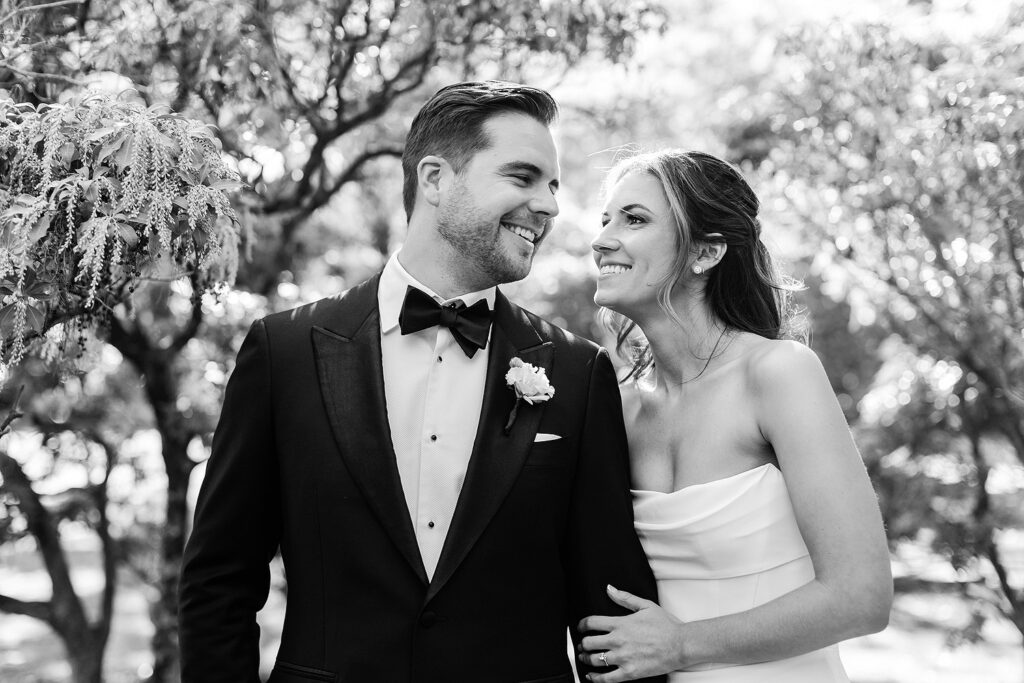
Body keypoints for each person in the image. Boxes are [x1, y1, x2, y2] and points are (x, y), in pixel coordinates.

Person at [179, 81, 665, 683]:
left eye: (554, 185)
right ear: (435, 179)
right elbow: (219, 583)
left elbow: (608, 611)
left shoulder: (577, 371)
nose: (549, 206)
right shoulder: (285, 352)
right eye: (522, 177)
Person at [576, 150, 893, 682]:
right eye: (605, 219)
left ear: (706, 252)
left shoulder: (777, 374)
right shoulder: (619, 405)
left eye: (634, 219)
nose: (603, 238)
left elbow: (862, 596)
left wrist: (682, 645)